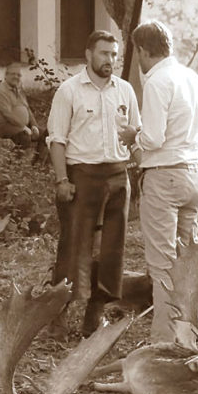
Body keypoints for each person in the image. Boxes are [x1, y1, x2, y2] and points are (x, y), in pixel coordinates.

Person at [45, 30, 141, 338]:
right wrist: (62, 180)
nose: (110, 60)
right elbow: (56, 140)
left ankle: (95, 313)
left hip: (117, 175)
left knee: (112, 249)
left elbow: (135, 136)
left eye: (114, 54)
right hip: (81, 176)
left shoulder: (125, 90)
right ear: (88, 55)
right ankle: (57, 313)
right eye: (104, 54)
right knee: (74, 247)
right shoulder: (69, 91)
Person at [119, 20, 198, 345]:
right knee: (192, 260)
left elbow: (153, 138)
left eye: (138, 54)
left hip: (164, 176)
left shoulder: (157, 81)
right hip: (191, 173)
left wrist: (133, 135)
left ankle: (163, 344)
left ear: (142, 50)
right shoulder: (192, 78)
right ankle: (197, 335)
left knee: (162, 265)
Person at [0, 62, 43, 153]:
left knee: (45, 135)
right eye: (13, 74)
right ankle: (18, 162)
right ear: (6, 76)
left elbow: (28, 109)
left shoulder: (19, 91)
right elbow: (8, 115)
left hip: (19, 126)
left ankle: (38, 161)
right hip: (3, 125)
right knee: (24, 137)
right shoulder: (1, 92)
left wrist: (34, 126)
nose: (16, 77)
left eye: (18, 75)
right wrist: (23, 127)